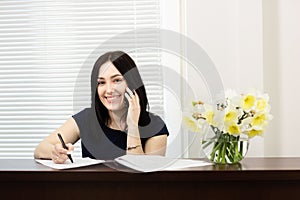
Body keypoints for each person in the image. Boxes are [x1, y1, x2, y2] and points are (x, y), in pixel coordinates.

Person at [34, 50, 169, 163]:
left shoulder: (155, 127)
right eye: (102, 82)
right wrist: (55, 152)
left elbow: (145, 177)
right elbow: (40, 149)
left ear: (132, 83)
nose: (109, 90)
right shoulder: (87, 119)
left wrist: (133, 125)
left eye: (117, 80)